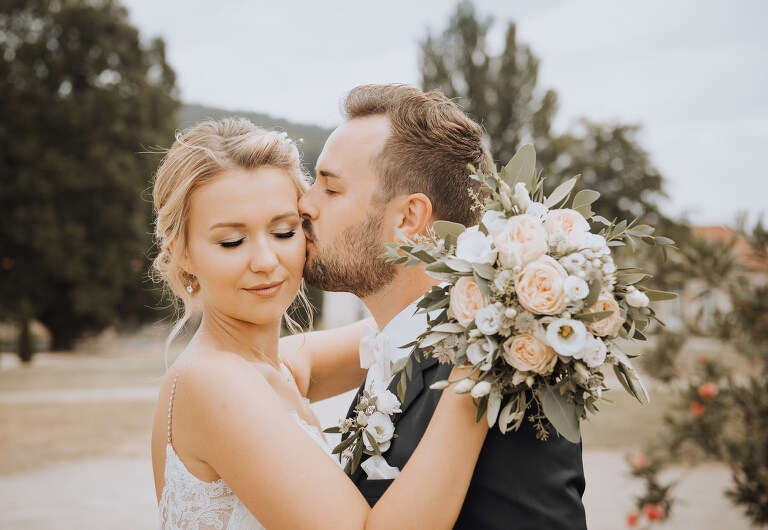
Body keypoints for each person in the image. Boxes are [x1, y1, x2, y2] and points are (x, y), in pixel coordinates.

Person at [150, 117, 488, 529]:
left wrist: (518, 286)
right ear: (182, 252)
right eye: (231, 241)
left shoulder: (277, 364)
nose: (265, 261)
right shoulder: (213, 381)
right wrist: (475, 383)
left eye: (283, 231)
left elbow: (403, 323)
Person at [299, 84, 588, 529]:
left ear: (409, 218)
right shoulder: (390, 345)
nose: (304, 205)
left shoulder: (507, 365)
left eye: (330, 190)